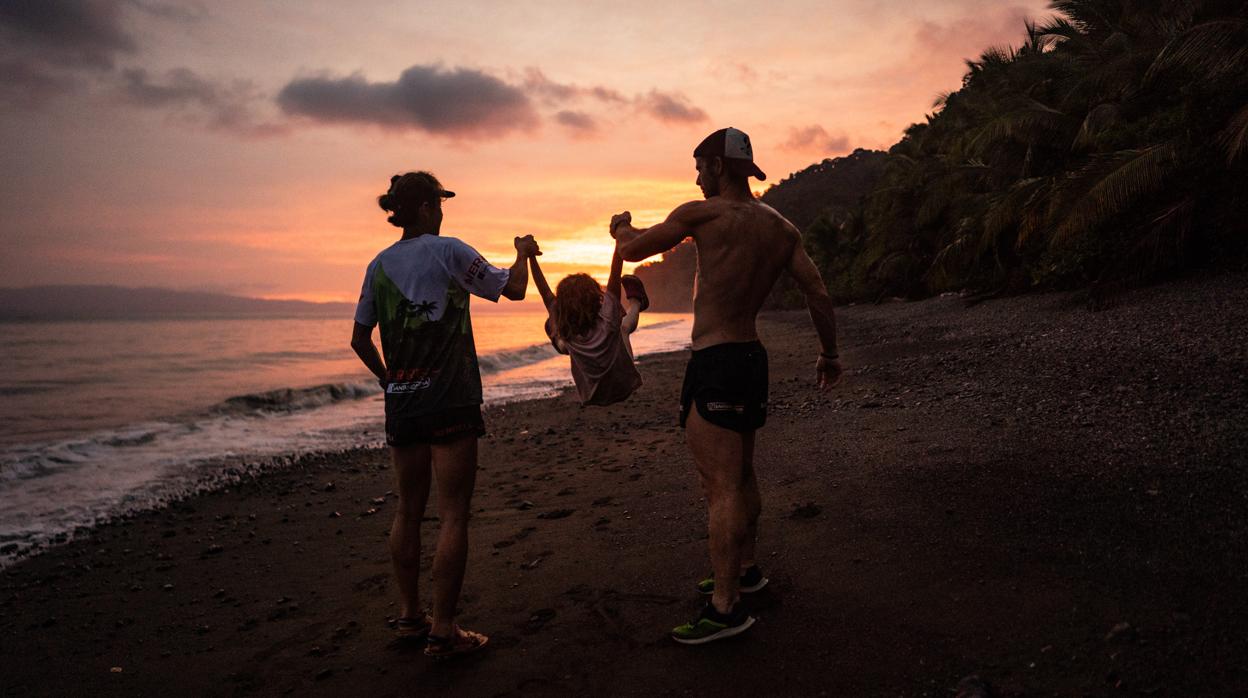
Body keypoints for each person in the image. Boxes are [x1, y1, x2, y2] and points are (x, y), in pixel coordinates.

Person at [610, 127, 843, 645]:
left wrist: (621, 228)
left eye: (699, 167)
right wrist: (829, 353)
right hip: (751, 358)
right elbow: (818, 291)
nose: (695, 177)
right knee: (740, 473)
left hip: (715, 359)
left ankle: (725, 608)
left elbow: (633, 251)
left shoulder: (702, 214)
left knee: (719, 486)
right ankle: (746, 570)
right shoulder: (782, 228)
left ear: (717, 166)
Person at [350, 171, 539, 658]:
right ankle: (445, 629)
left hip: (405, 402)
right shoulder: (449, 250)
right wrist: (522, 253)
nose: (443, 210)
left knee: (408, 511)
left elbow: (359, 339)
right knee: (454, 514)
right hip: (451, 398)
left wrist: (388, 379)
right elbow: (513, 290)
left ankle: (412, 618)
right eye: (439, 202)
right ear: (429, 208)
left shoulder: (378, 265)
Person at [528, 240, 649, 406]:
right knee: (622, 329)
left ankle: (557, 338)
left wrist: (530, 257)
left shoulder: (567, 331)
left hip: (592, 396)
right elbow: (615, 272)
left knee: (563, 335)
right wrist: (619, 238)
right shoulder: (608, 319)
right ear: (595, 297)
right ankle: (636, 302)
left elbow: (544, 290)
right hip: (625, 386)